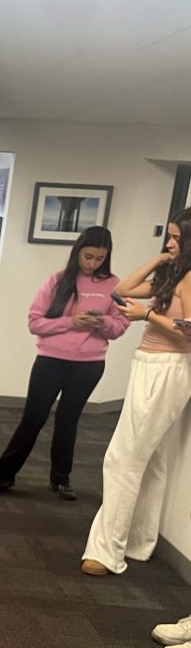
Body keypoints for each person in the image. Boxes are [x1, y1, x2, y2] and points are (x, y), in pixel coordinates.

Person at [0, 227, 126, 501]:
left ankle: (61, 480)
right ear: (77, 252)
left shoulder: (114, 285)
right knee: (33, 418)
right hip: (51, 361)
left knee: (68, 421)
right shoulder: (57, 281)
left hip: (89, 365)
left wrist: (101, 322)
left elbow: (120, 327)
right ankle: (2, 474)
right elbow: (35, 323)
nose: (92, 263)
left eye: (99, 259)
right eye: (88, 256)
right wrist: (72, 322)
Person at [82, 219, 191, 575]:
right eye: (169, 237)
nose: (170, 244)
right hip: (151, 364)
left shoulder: (190, 280)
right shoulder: (175, 275)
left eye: (176, 239)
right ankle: (139, 542)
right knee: (152, 458)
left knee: (122, 459)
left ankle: (107, 551)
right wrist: (161, 260)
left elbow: (189, 331)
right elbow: (123, 289)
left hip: (168, 367)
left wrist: (147, 315)